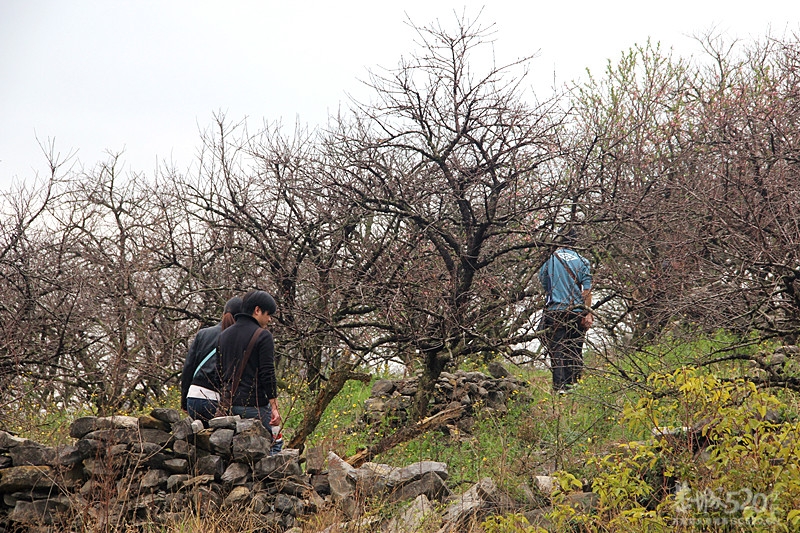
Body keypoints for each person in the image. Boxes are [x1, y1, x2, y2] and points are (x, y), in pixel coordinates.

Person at [217, 289, 283, 454]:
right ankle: (271, 479)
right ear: (257, 310)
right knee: (275, 442)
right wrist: (274, 407)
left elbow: (219, 371)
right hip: (255, 404)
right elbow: (267, 374)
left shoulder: (224, 335)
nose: (269, 319)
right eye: (268, 314)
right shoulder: (263, 336)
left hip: (230, 404)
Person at [538, 228, 593, 393]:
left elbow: (543, 281)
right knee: (575, 348)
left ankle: (559, 387)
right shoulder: (582, 261)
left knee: (557, 349)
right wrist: (588, 312)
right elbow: (587, 290)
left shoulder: (550, 259)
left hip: (555, 310)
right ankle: (574, 384)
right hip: (576, 311)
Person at [180, 296, 243, 426]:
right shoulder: (238, 339)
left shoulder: (203, 333)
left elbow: (188, 368)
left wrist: (184, 400)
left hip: (193, 397)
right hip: (215, 400)